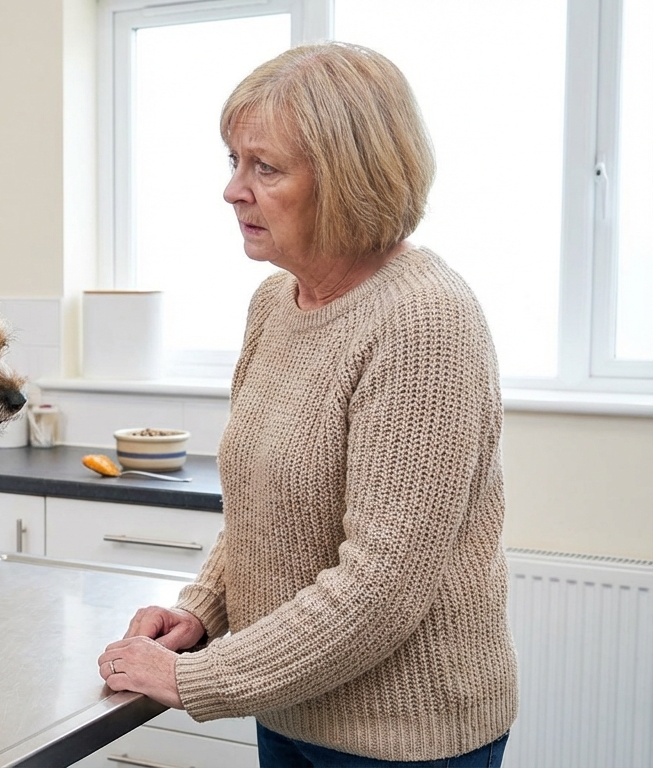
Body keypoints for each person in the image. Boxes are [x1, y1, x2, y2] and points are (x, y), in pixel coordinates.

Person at [98, 42, 518, 766]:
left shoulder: (425, 320)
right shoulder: (275, 303)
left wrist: (196, 676)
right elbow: (264, 513)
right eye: (233, 161)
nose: (233, 189)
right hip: (292, 710)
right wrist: (200, 610)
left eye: (265, 167)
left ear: (352, 178)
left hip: (405, 737)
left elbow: (380, 590)